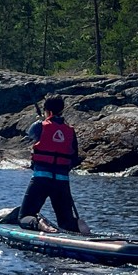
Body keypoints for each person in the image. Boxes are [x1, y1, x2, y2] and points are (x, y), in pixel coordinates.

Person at [17, 96, 87, 233]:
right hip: (62, 182)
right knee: (65, 222)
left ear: (47, 112)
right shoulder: (70, 131)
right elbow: (73, 157)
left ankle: (39, 222)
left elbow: (31, 136)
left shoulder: (39, 126)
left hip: (41, 179)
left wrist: (42, 122)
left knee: (24, 216)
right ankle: (78, 224)